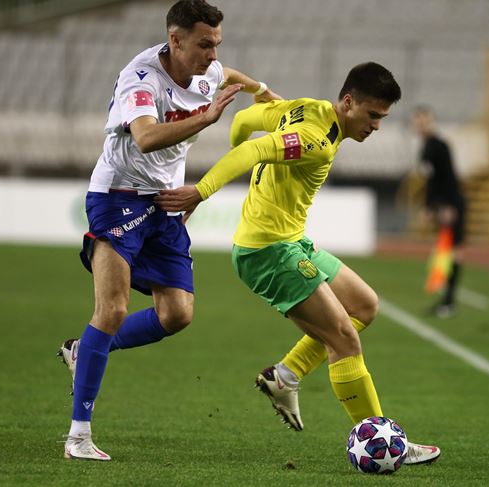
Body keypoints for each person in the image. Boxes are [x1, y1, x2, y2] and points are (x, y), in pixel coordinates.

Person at [155, 62, 441, 465]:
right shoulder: (315, 140)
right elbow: (254, 147)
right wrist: (201, 192)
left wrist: (244, 161)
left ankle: (285, 376)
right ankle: (383, 442)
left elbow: (246, 120)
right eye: (373, 115)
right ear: (348, 102)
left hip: (290, 241)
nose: (376, 126)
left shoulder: (304, 108)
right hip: (268, 252)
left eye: (383, 117)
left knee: (363, 305)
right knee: (344, 338)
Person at [57, 0, 282, 461]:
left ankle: (85, 349)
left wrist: (262, 89)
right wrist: (205, 120)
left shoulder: (208, 70)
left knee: (177, 314)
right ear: (175, 40)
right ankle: (78, 436)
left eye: (217, 44)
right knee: (113, 308)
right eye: (204, 44)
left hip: (165, 205)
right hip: (117, 198)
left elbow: (228, 76)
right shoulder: (139, 80)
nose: (213, 55)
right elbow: (143, 136)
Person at [411, 106, 466, 318]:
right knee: (445, 250)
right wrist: (429, 206)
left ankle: (449, 301)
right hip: (443, 205)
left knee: (454, 251)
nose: (420, 125)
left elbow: (449, 178)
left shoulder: (439, 146)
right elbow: (431, 181)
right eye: (417, 122)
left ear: (431, 122)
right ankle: (446, 300)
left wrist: (448, 206)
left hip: (452, 204)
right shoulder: (425, 147)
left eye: (423, 121)